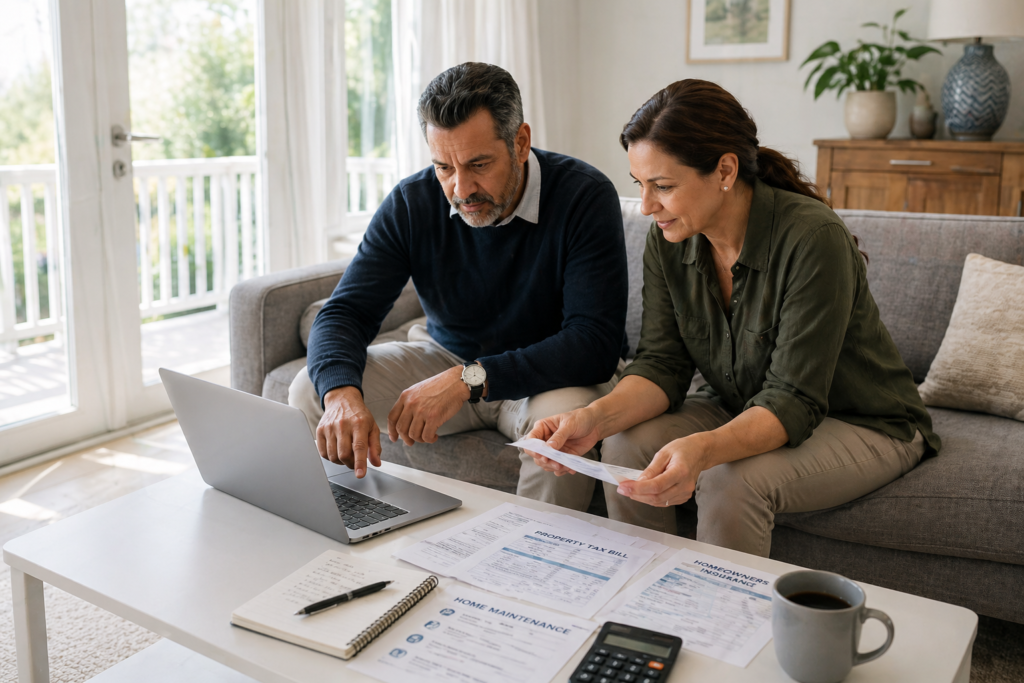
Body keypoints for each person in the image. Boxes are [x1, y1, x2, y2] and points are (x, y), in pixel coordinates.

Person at [524, 79, 940, 557]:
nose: (646, 206)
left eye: (663, 186)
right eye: (640, 185)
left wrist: (704, 449)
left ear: (724, 170)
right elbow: (662, 364)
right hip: (748, 403)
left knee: (729, 478)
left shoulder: (813, 238)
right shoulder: (669, 239)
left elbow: (793, 399)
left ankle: (715, 629)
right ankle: (643, 605)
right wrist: (590, 420)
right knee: (622, 445)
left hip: (863, 419)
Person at [289, 62, 629, 511]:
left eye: (478, 164)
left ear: (520, 142)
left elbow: (593, 344)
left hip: (549, 381)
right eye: (443, 166)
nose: (460, 188)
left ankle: (532, 568)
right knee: (308, 390)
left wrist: (466, 380)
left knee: (561, 430)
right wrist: (341, 397)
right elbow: (345, 312)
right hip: (447, 356)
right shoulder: (412, 203)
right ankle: (354, 533)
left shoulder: (584, 196)